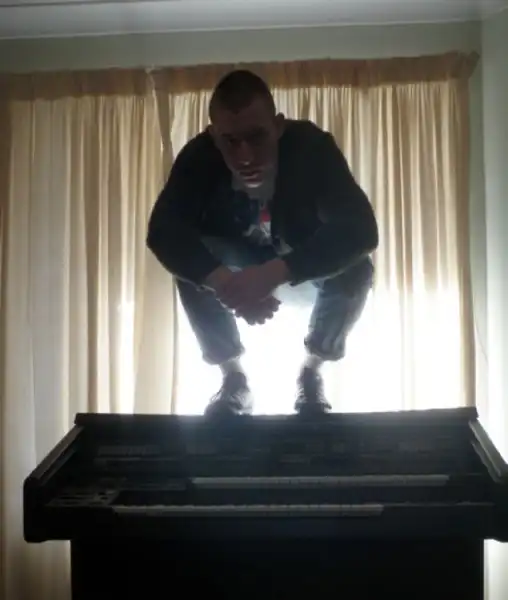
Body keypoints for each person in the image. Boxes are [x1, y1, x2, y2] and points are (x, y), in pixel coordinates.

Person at [147, 69, 378, 417]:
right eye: (230, 142)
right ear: (214, 136)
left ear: (279, 126)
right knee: (189, 262)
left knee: (358, 269)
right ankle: (233, 379)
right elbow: (163, 231)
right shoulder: (198, 157)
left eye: (257, 137)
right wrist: (225, 284)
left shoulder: (312, 147)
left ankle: (311, 372)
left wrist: (272, 274)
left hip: (299, 263)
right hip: (235, 271)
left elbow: (361, 229)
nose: (245, 156)